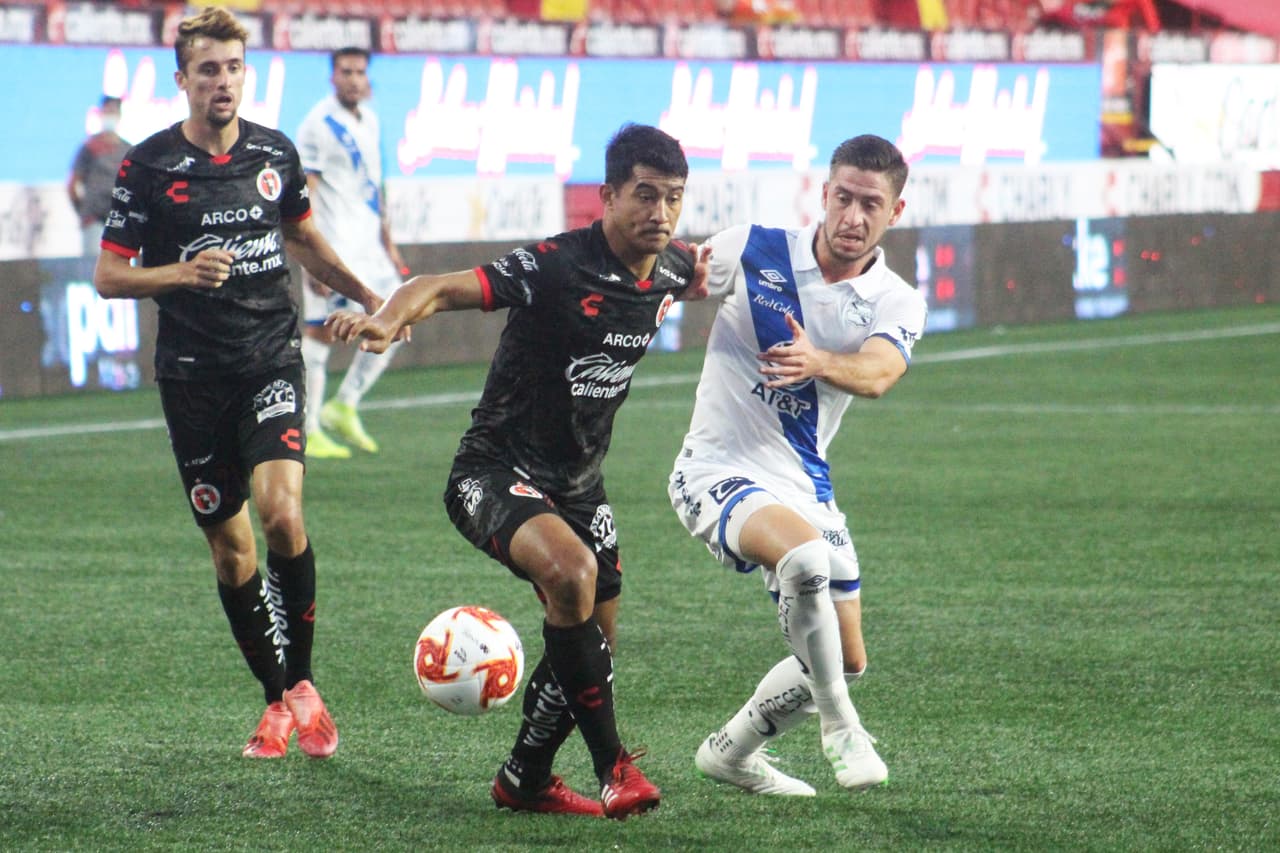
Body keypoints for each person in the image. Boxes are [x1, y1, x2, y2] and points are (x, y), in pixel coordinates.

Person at [328, 123, 708, 819]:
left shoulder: (677, 267)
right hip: (493, 470)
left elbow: (698, 276)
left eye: (673, 198)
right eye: (644, 196)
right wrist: (386, 321)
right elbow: (436, 287)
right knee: (571, 575)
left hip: (579, 484)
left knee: (593, 638)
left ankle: (525, 776)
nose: (659, 213)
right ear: (608, 197)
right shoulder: (559, 265)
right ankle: (613, 765)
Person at [93, 7, 382, 760]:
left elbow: (305, 240)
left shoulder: (273, 152)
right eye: (209, 69)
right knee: (232, 551)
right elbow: (109, 275)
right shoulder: (148, 167)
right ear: (182, 79)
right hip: (191, 379)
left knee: (283, 516)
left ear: (245, 73)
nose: (223, 82)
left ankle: (306, 683)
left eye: (233, 68)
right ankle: (277, 700)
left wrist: (373, 297)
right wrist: (180, 273)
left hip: (268, 360)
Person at [668, 134, 926, 796]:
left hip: (802, 484)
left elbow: (878, 372)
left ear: (894, 212)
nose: (852, 217)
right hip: (715, 467)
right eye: (843, 197)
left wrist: (818, 362)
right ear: (824, 193)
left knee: (846, 658)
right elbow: (679, 277)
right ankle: (841, 726)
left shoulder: (896, 300)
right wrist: (673, 283)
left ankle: (730, 750)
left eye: (871, 203)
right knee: (805, 561)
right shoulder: (754, 249)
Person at [296, 46, 408, 459]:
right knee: (319, 331)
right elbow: (305, 190)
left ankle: (344, 405)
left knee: (400, 320)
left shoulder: (371, 120)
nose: (354, 79)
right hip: (334, 246)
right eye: (346, 71)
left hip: (369, 245)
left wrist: (388, 242)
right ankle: (306, 428)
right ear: (333, 76)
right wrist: (311, 255)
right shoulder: (317, 125)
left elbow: (376, 187)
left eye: (361, 71)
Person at [69, 95, 130, 257]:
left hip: (119, 220)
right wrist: (84, 212)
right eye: (108, 110)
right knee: (92, 266)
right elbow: (73, 184)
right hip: (94, 220)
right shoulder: (89, 147)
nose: (110, 114)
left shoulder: (127, 150)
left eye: (114, 111)